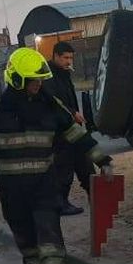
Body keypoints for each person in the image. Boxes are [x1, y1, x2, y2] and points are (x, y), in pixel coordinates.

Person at [0, 47, 114, 264]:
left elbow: (75, 133)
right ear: (16, 79)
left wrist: (102, 159)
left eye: (39, 80)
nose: (37, 85)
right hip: (12, 186)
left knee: (48, 223)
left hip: (44, 180)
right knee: (21, 225)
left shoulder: (50, 104)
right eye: (32, 80)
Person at [43, 41, 93, 216]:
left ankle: (95, 198)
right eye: (65, 58)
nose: (68, 61)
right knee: (64, 170)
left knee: (86, 166)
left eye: (71, 58)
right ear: (56, 56)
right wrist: (72, 113)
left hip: (74, 129)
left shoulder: (65, 74)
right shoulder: (48, 76)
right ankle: (60, 204)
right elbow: (54, 102)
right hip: (60, 132)